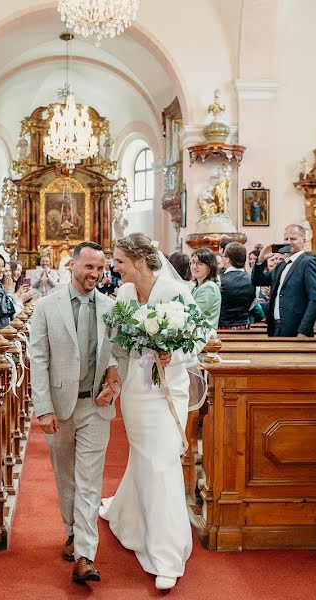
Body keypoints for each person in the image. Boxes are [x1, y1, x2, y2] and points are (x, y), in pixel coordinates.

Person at [99, 232, 200, 590]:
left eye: (120, 261)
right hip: (136, 390)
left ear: (141, 260)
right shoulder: (125, 294)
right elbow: (115, 339)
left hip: (167, 390)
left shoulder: (176, 293)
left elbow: (201, 336)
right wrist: (112, 371)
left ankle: (167, 554)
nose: (115, 266)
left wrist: (176, 355)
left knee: (162, 463)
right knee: (144, 459)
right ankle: (128, 516)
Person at [29, 241, 122, 585]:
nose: (95, 275)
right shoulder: (47, 306)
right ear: (72, 265)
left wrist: (114, 375)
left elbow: (116, 354)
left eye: (101, 269)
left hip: (95, 405)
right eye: (89, 267)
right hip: (60, 406)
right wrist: (43, 409)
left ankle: (85, 554)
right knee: (65, 475)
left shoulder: (111, 307)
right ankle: (71, 532)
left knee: (89, 482)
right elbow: (37, 359)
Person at [251, 224, 316, 337]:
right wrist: (261, 259)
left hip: (296, 329)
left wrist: (304, 330)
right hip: (275, 327)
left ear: (303, 240)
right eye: (286, 239)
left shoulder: (308, 262)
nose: (289, 242)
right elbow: (258, 280)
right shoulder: (282, 265)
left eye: (293, 239)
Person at [218, 242, 256, 329]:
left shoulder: (219, 280)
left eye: (223, 256)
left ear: (228, 259)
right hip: (244, 327)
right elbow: (251, 306)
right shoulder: (254, 281)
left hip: (223, 328)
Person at [189, 248, 220, 326]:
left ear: (210, 267)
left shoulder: (209, 287)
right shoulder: (197, 286)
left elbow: (192, 313)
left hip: (205, 334)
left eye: (199, 264)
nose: (194, 267)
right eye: (192, 262)